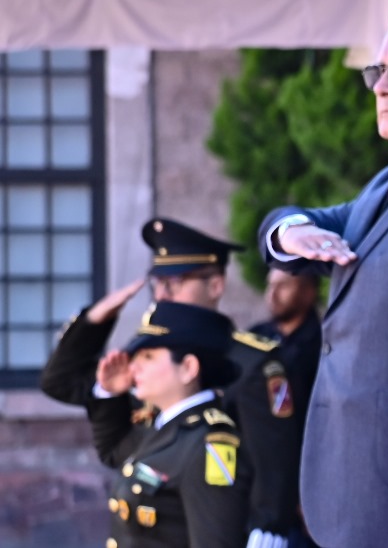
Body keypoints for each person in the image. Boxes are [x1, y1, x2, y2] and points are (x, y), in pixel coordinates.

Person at [259, 4, 388, 548]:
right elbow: (293, 221)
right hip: (345, 494)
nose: (382, 86)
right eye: (377, 73)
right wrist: (290, 234)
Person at [41, 219, 301, 548]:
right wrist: (95, 320)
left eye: (176, 282)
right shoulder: (153, 358)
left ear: (216, 286)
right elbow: (63, 383)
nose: (164, 294)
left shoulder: (250, 360)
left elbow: (272, 456)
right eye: (158, 283)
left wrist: (270, 525)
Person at [90, 300, 248, 548]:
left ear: (188, 368)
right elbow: (113, 451)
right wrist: (110, 394)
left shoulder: (207, 445)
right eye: (136, 357)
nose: (134, 367)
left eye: (149, 357)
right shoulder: (162, 427)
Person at [248, 269, 321, 432]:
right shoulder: (255, 336)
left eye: (283, 286)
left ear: (308, 292)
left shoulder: (323, 344)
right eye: (270, 285)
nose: (272, 294)